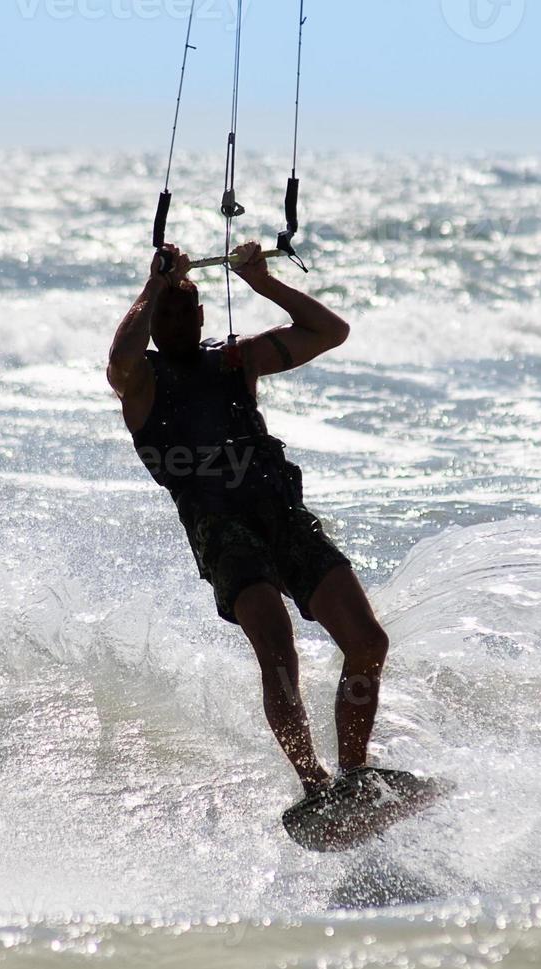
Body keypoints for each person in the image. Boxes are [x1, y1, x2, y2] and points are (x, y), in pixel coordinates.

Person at [107, 241, 391, 798]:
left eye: (182, 310)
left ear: (202, 315)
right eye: (163, 312)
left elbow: (331, 332)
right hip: (221, 530)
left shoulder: (237, 360)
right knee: (277, 647)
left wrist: (263, 282)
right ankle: (314, 785)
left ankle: (354, 776)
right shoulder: (141, 383)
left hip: (281, 514)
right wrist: (154, 285)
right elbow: (119, 358)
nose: (173, 321)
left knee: (367, 641)